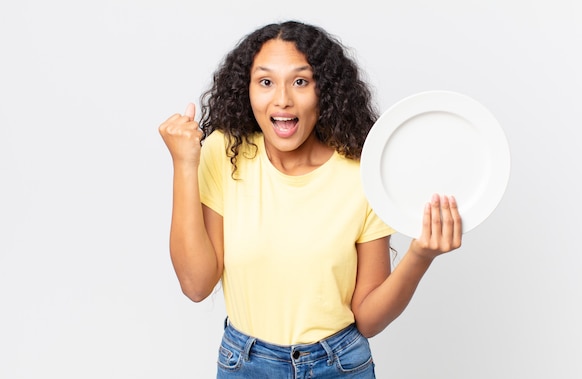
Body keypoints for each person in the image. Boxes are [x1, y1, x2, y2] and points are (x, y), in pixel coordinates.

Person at [159, 20, 462, 378]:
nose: (283, 99)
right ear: (247, 90)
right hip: (246, 365)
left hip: (339, 364)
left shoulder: (362, 174)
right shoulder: (224, 154)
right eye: (266, 82)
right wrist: (184, 165)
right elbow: (196, 285)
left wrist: (420, 255)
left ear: (326, 90)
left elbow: (367, 318)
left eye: (300, 81)